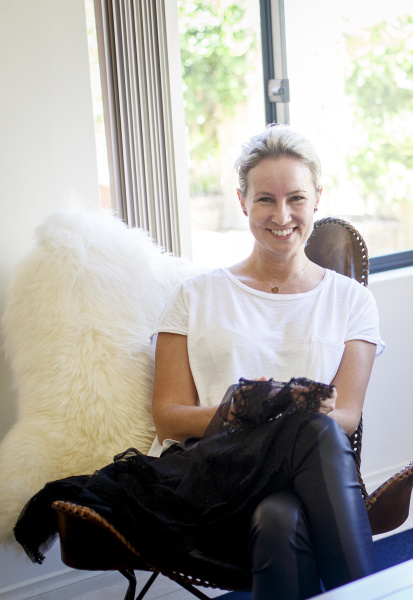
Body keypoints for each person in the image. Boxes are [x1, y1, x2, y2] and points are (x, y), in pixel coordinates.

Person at [14, 124, 383, 600]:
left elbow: (347, 414)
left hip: (298, 481)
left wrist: (275, 411)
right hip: (211, 481)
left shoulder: (351, 301)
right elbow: (168, 418)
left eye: (296, 198)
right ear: (242, 202)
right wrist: (240, 408)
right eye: (265, 199)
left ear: (317, 200)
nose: (282, 215)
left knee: (281, 519)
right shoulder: (194, 295)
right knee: (312, 430)